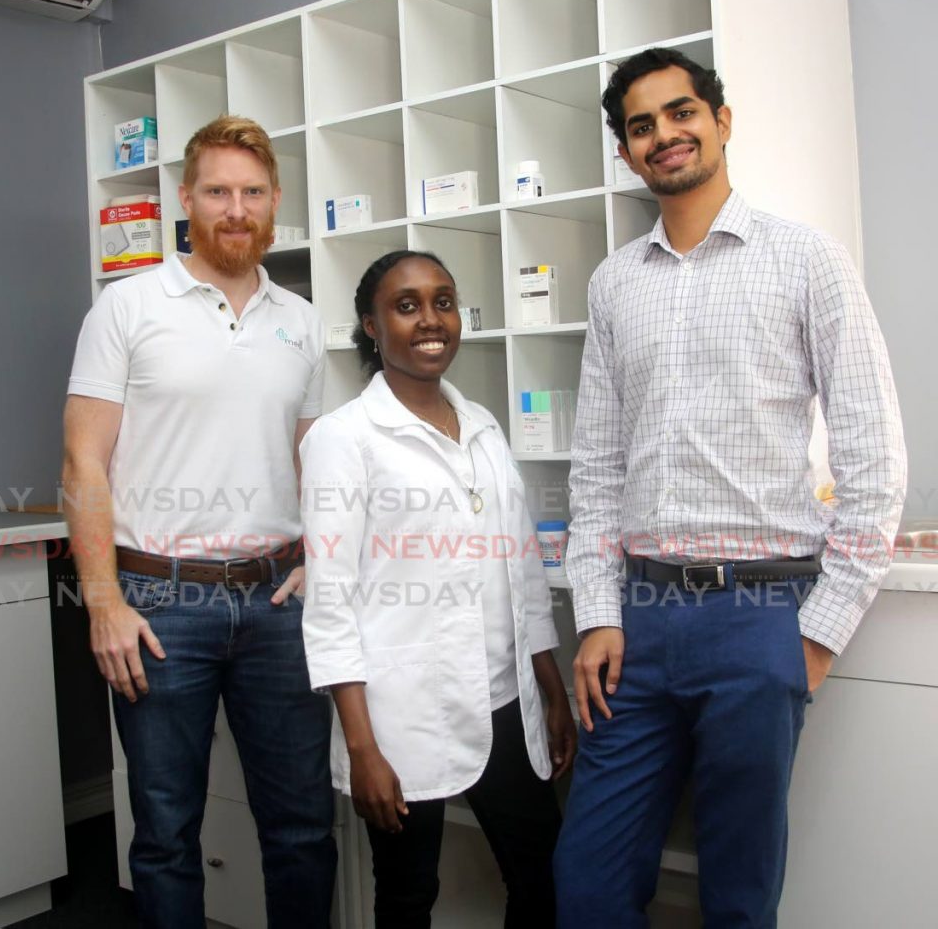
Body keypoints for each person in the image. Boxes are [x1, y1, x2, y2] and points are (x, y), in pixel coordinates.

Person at [555, 47, 906, 926]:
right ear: (626, 151)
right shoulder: (613, 285)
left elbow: (875, 454)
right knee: (588, 884)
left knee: (739, 894)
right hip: (636, 623)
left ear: (720, 121)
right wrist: (597, 611)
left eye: (681, 113)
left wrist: (815, 639)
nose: (665, 135)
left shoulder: (804, 259)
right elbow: (596, 464)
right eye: (642, 126)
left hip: (761, 619)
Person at [62, 115, 335, 929]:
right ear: (186, 199)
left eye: (252, 192)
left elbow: (315, 461)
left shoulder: (303, 320)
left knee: (302, 827)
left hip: (280, 607)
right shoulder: (127, 307)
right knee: (166, 832)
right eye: (217, 191)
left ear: (275, 202)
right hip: (157, 606)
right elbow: (83, 465)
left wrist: (321, 561)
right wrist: (104, 602)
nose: (236, 208)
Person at [300, 250, 576, 928]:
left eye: (443, 302)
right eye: (406, 305)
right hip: (401, 712)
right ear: (371, 324)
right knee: (406, 892)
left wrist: (549, 683)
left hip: (504, 699)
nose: (431, 320)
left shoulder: (482, 427)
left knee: (543, 872)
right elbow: (329, 601)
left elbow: (519, 569)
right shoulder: (344, 439)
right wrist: (362, 748)